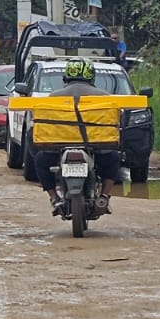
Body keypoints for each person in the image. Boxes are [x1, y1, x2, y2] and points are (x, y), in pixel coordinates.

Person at [33, 59, 121, 216]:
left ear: (67, 76)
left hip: (60, 147)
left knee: (40, 160)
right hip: (95, 146)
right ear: (91, 76)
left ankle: (54, 198)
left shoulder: (54, 96)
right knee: (114, 157)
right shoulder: (103, 96)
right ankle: (104, 196)